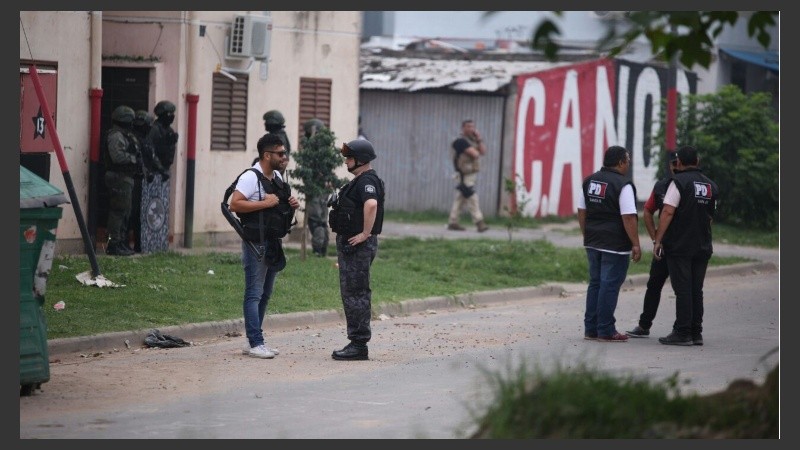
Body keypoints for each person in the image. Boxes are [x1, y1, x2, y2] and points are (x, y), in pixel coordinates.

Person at [229, 133, 300, 359]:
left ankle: (254, 341)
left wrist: (292, 205)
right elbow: (234, 204)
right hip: (255, 243)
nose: (284, 157)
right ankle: (256, 343)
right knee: (254, 293)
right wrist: (264, 202)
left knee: (266, 293)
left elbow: (276, 207)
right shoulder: (250, 177)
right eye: (280, 153)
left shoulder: (277, 176)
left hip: (272, 241)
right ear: (267, 155)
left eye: (285, 153)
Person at [653, 145, 719, 346]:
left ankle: (682, 333)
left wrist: (658, 239)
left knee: (683, 289)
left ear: (679, 162)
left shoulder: (678, 182)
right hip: (702, 245)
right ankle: (695, 332)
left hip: (680, 246)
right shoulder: (711, 186)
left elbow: (667, 212)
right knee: (696, 289)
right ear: (697, 161)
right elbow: (710, 217)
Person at [577, 145, 641, 342]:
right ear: (621, 162)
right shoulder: (623, 185)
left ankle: (591, 329)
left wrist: (587, 233)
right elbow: (629, 217)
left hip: (593, 240)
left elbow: (582, 210)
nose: (628, 164)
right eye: (627, 160)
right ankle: (605, 329)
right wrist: (636, 244)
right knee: (609, 285)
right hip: (615, 244)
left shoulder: (589, 180)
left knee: (595, 283)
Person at [328, 139, 385, 361]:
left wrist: (364, 233)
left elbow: (371, 204)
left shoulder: (367, 181)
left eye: (349, 158)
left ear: (360, 160)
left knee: (356, 293)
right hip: (352, 246)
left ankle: (359, 344)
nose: (346, 162)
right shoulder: (361, 181)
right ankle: (357, 342)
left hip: (358, 246)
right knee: (352, 292)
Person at [626, 151, 680, 338]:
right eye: (673, 163)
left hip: (683, 247)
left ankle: (682, 328)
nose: (676, 166)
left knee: (683, 288)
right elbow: (648, 211)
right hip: (663, 246)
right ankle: (644, 325)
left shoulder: (690, 185)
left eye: (678, 162)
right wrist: (655, 238)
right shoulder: (662, 186)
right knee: (654, 285)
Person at [103, 105, 143, 256]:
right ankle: (113, 244)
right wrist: (133, 159)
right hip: (118, 176)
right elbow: (117, 157)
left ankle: (120, 242)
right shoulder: (115, 136)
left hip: (126, 177)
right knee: (118, 212)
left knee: (125, 212)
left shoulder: (125, 135)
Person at [448, 119, 489, 232]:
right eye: (468, 126)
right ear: (463, 128)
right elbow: (476, 154)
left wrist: (479, 139)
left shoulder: (472, 141)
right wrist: (476, 146)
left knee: (460, 199)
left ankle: (453, 222)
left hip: (470, 174)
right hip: (463, 174)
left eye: (472, 127)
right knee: (472, 197)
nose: (471, 129)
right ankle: (479, 222)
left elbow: (483, 152)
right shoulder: (460, 141)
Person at [301, 118, 333, 257]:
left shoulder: (317, 150)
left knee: (316, 221)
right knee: (321, 220)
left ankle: (318, 251)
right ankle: (322, 250)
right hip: (320, 190)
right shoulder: (325, 148)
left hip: (316, 191)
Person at [148, 100, 179, 174]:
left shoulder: (169, 130)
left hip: (165, 168)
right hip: (154, 170)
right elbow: (149, 149)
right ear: (163, 114)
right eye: (169, 114)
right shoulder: (154, 129)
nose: (172, 116)